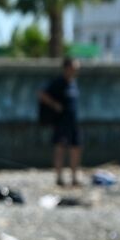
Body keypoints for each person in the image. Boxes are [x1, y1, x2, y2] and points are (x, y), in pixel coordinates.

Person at [38, 57, 82, 186]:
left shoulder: (73, 83)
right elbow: (42, 94)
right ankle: (59, 177)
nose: (76, 70)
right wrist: (55, 105)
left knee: (76, 147)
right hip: (61, 122)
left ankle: (74, 177)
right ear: (67, 68)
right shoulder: (58, 82)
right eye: (74, 68)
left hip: (73, 121)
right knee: (60, 148)